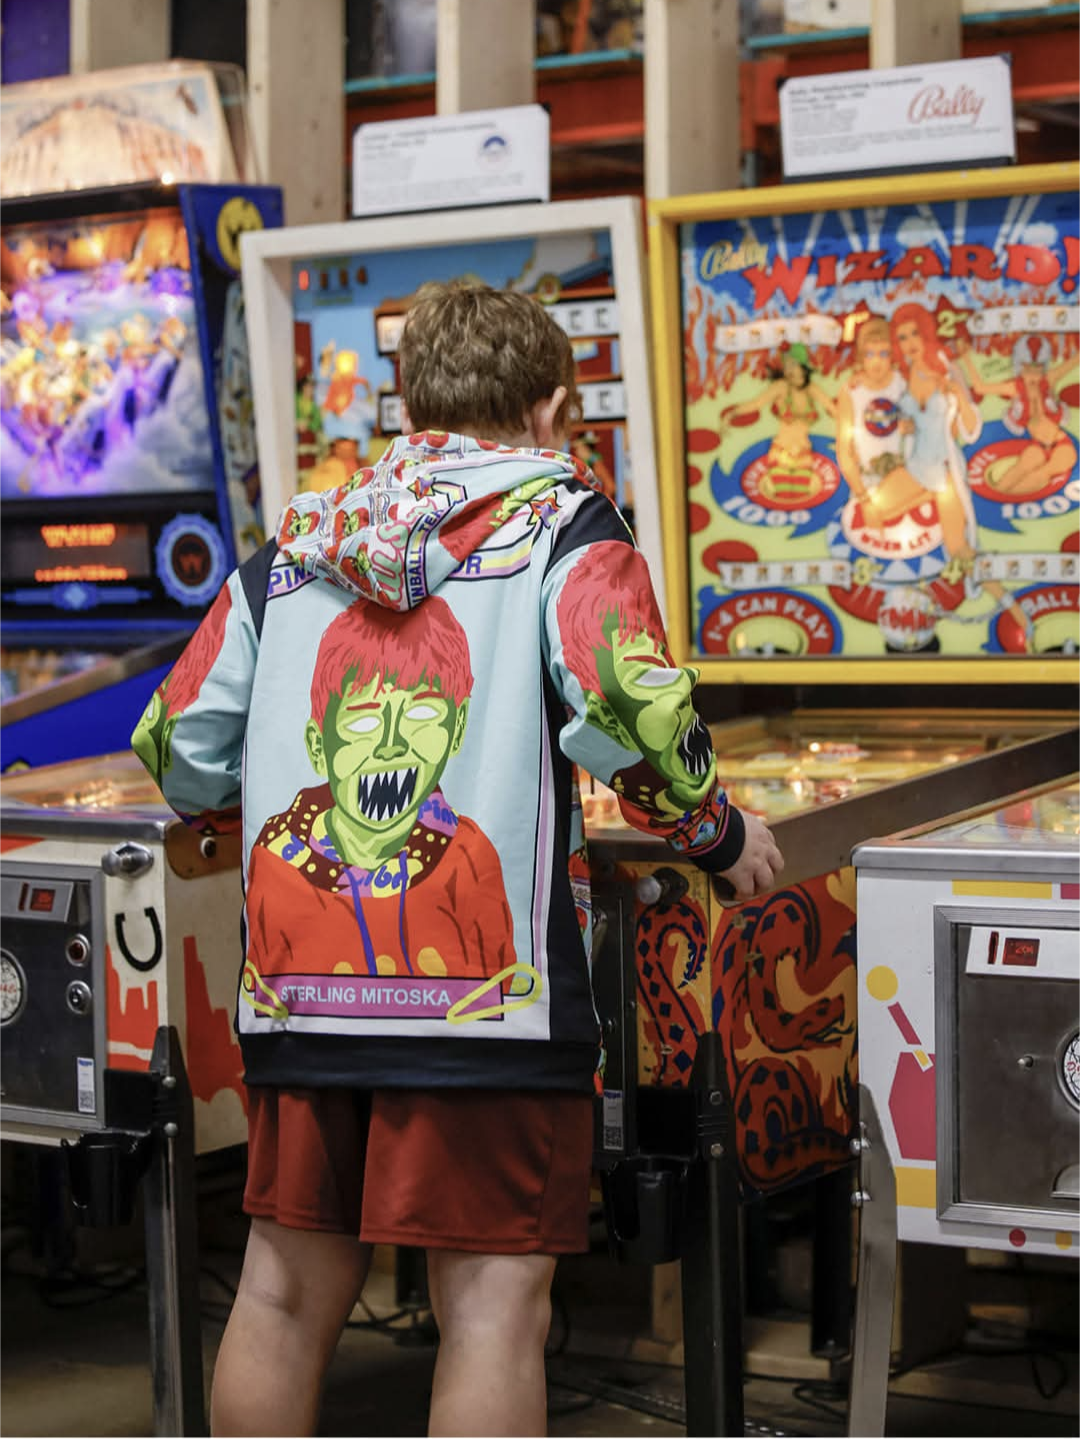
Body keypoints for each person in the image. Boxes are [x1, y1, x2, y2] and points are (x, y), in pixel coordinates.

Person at [131, 280, 783, 1438]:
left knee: (281, 1287)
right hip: (489, 1002)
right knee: (490, 1307)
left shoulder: (299, 540)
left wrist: (256, 802)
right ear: (550, 409)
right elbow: (629, 705)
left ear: (408, 402)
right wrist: (718, 834)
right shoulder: (564, 524)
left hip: (298, 989)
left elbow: (177, 743)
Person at [958, 332, 1079, 497]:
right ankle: (996, 500)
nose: (1033, 375)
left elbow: (1074, 361)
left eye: (1037, 369)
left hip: (1061, 443)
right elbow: (980, 388)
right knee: (1013, 475)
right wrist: (966, 358)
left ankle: (1001, 500)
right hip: (1038, 446)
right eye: (1028, 370)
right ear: (1020, 369)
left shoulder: (1048, 380)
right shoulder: (1015, 387)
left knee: (1042, 474)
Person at [720, 342, 837, 501]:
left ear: (803, 366)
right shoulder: (781, 387)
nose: (788, 370)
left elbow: (832, 409)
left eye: (793, 364)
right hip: (781, 454)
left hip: (804, 454)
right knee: (782, 497)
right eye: (786, 365)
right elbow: (756, 403)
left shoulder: (812, 389)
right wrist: (731, 414)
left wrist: (847, 433)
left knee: (801, 499)